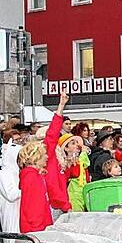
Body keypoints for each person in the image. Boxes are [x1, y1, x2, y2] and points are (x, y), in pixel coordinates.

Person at [44, 90, 73, 218]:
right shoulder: (47, 155)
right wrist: (61, 106)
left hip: (61, 204)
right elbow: (52, 134)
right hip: (55, 206)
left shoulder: (58, 158)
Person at [18, 141, 52, 233]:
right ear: (36, 157)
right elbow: (32, 206)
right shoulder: (31, 177)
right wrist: (38, 230)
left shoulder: (33, 175)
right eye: (44, 154)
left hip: (39, 227)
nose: (47, 157)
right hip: (37, 229)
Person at [0, 142, 22, 233]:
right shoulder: (4, 174)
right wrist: (27, 189)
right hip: (10, 211)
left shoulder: (17, 172)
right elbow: (11, 195)